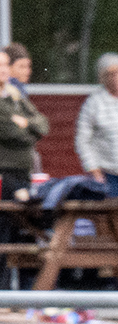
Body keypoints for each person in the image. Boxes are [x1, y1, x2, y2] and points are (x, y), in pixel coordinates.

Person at [77, 55, 118, 198]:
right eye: (109, 74)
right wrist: (94, 169)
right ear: (102, 77)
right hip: (110, 174)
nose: (114, 78)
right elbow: (82, 140)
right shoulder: (93, 103)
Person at [0, 44, 46, 207]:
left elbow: (43, 124)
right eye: (22, 66)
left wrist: (26, 123)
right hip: (7, 168)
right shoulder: (10, 93)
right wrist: (30, 130)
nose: (27, 71)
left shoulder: (16, 92)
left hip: (22, 165)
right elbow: (10, 131)